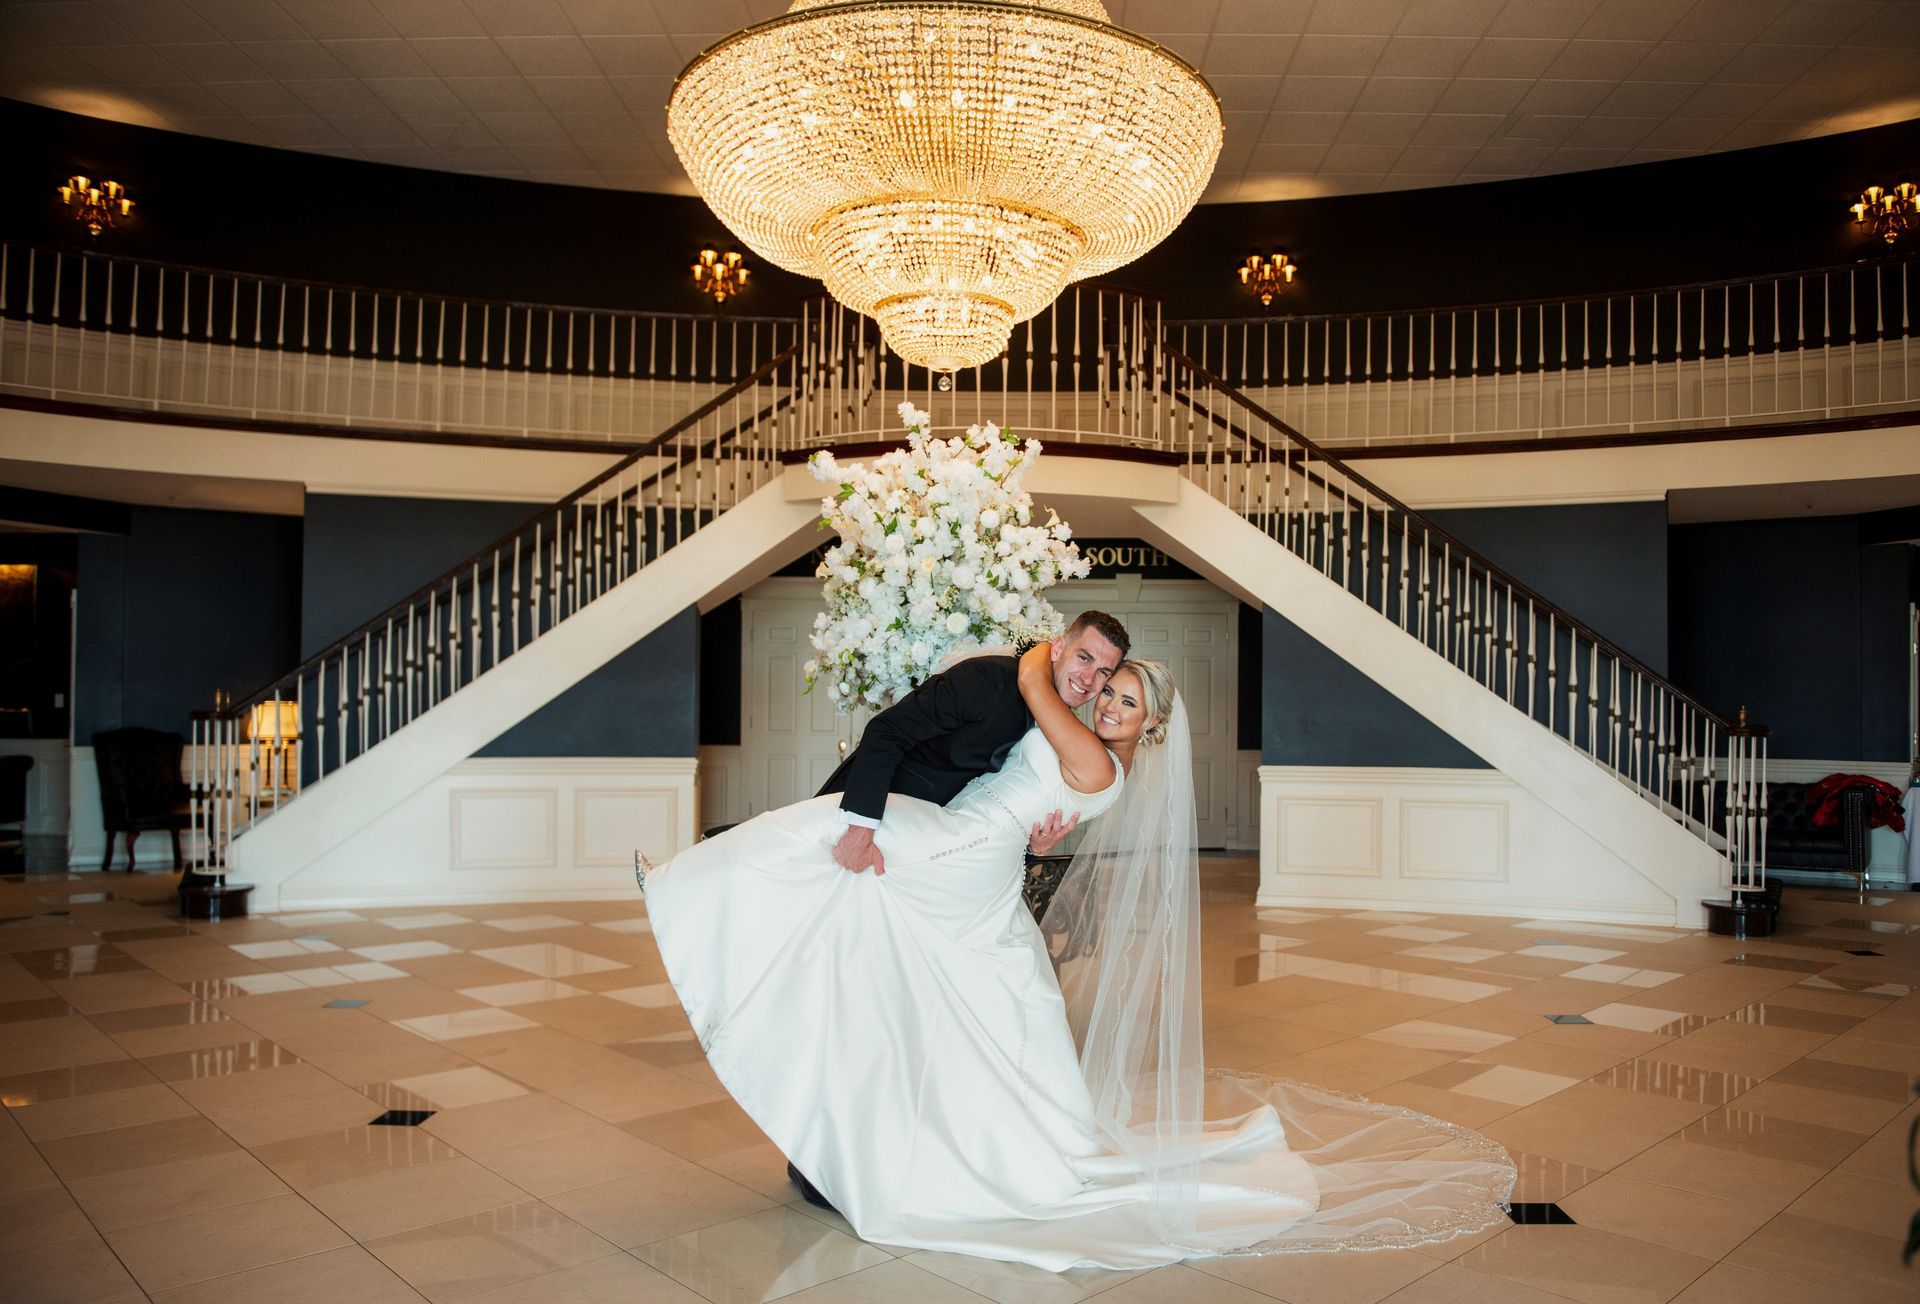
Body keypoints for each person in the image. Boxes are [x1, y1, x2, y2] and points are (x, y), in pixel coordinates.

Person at [641, 645, 1515, 1271]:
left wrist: (1033, 663)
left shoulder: (1097, 763)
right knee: (907, 971)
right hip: (974, 850)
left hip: (959, 853)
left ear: (1150, 728)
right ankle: (916, 1123)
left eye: (1127, 701)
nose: (1109, 704)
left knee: (827, 833)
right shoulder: (1091, 760)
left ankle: (686, 888)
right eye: (1110, 692)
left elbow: (1039, 693)